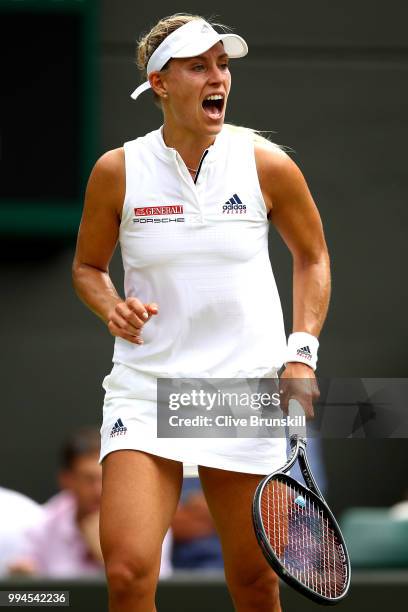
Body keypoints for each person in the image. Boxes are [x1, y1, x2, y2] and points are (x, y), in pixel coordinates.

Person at [72, 13, 330, 612]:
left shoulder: (266, 163)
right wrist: (114, 306)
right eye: (199, 66)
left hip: (241, 391)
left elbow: (313, 257)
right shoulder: (118, 171)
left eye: (223, 65)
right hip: (146, 389)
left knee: (254, 583)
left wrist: (302, 352)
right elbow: (88, 268)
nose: (218, 78)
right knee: (130, 574)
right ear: (161, 82)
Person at [8, 427, 172, 578]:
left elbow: (160, 594)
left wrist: (109, 558)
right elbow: (35, 594)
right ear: (66, 480)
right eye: (88, 479)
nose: (98, 490)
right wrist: (24, 582)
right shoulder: (44, 524)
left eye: (107, 477)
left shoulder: (150, 523)